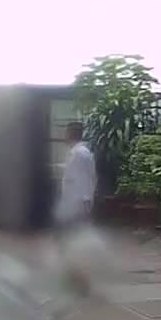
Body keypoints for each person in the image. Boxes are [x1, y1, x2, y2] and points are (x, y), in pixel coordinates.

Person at [53, 121, 97, 293]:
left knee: (72, 240)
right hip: (74, 202)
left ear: (71, 134)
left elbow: (83, 179)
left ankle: (79, 278)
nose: (64, 136)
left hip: (76, 203)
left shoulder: (80, 153)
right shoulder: (78, 153)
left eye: (66, 132)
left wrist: (83, 202)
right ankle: (75, 276)